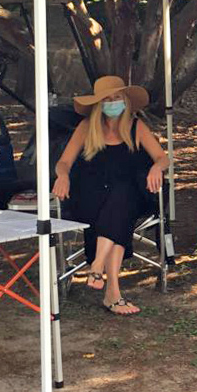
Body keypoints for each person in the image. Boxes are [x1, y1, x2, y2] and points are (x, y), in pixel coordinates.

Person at [52, 75, 169, 315]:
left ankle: (97, 266)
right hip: (92, 198)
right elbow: (63, 162)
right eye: (108, 99)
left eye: (117, 98)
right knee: (118, 212)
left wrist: (157, 167)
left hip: (135, 196)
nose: (113, 102)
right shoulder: (86, 128)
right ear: (99, 104)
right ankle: (112, 293)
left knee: (122, 193)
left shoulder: (136, 127)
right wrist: (62, 176)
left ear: (125, 101)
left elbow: (163, 157)